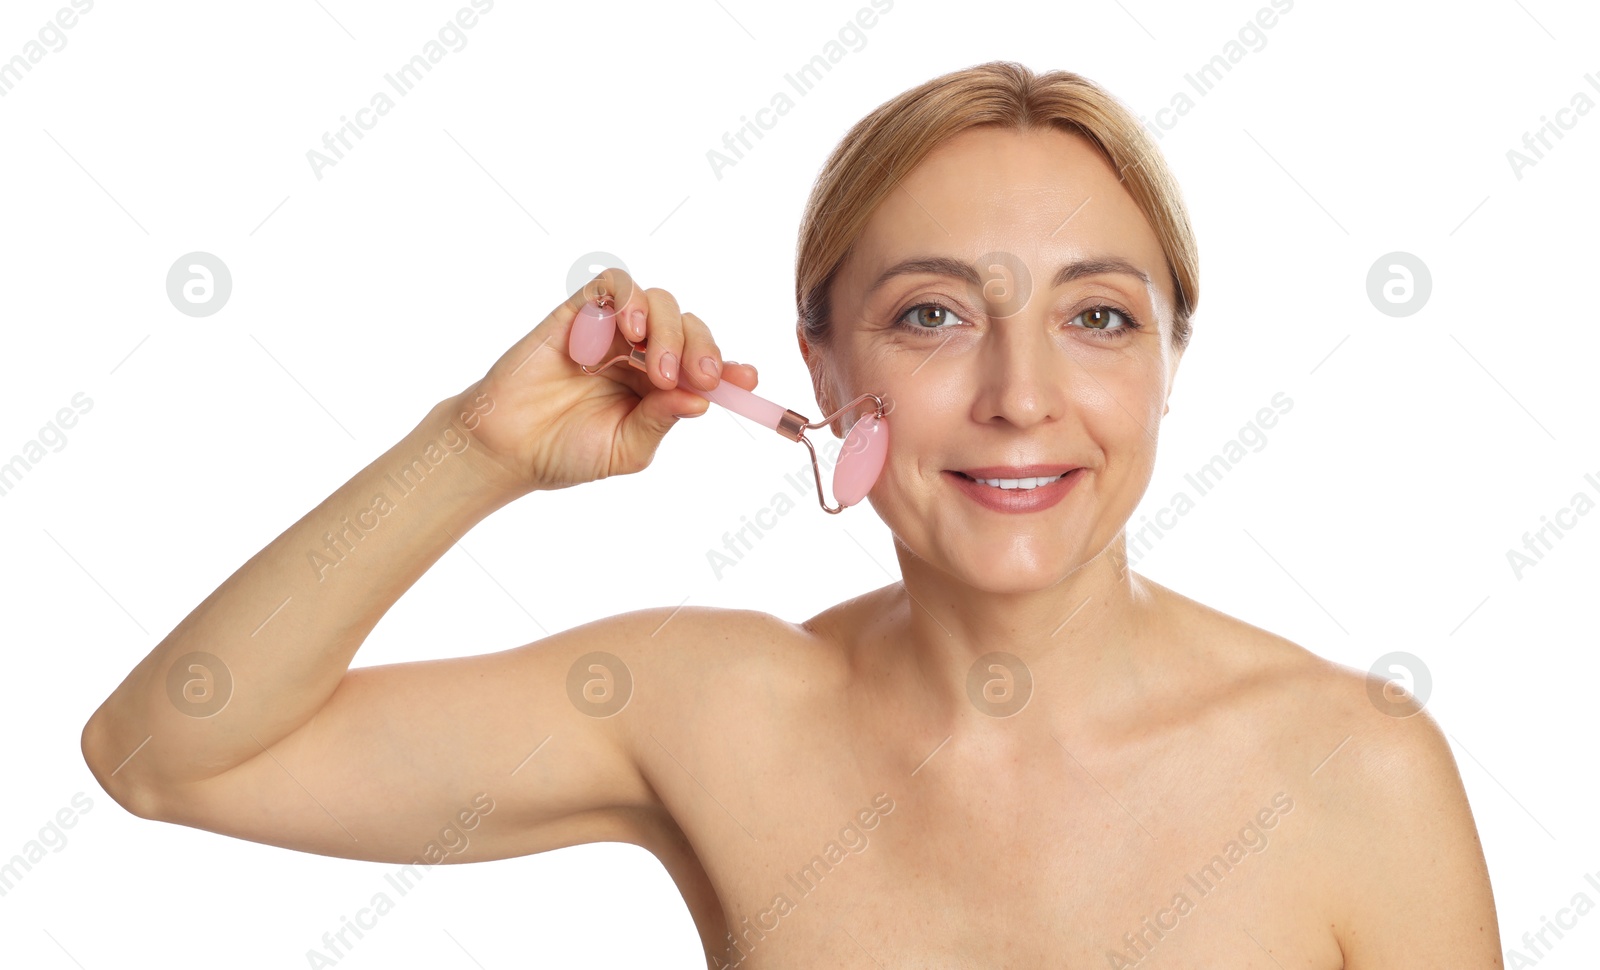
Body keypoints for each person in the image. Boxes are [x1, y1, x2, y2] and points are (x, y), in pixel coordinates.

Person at [81, 61, 1500, 967]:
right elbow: (167, 752)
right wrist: (480, 445)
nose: (1021, 394)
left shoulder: (1352, 771)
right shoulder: (711, 707)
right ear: (824, 369)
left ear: (1169, 365)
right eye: (934, 313)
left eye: (1099, 317)